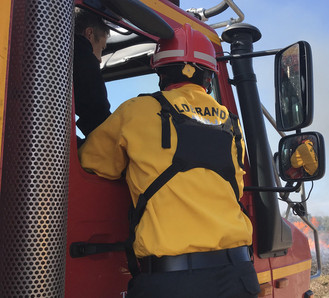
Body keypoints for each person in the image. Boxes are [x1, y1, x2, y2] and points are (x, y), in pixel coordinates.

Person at [78, 24, 260, 297]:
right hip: (239, 276)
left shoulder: (137, 111)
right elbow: (235, 185)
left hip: (173, 283)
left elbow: (93, 162)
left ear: (161, 73)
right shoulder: (230, 123)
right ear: (208, 76)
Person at [73, 7, 111, 138]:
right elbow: (97, 112)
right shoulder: (80, 50)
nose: (100, 59)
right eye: (101, 48)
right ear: (89, 33)